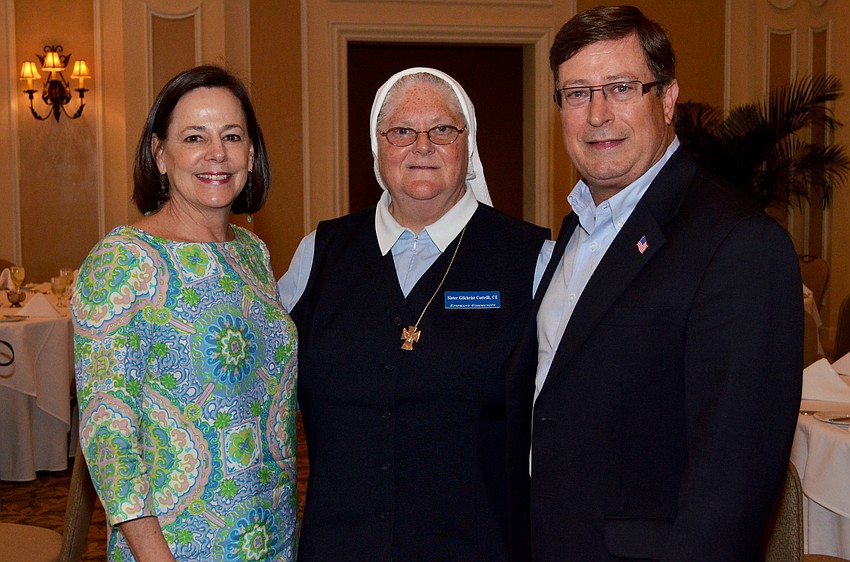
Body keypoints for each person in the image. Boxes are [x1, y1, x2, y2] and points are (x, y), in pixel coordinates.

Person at [506, 6, 803, 561]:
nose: (596, 115)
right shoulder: (577, 227)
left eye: (620, 88)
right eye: (576, 93)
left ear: (666, 99)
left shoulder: (737, 244)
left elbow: (732, 481)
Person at [279, 67, 551, 561]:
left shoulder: (531, 259)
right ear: (377, 147)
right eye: (402, 131)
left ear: (468, 146)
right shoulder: (318, 253)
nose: (422, 145)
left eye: (443, 129)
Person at [71, 65, 298, 561]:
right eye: (194, 137)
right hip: (177, 546)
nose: (216, 154)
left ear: (251, 154)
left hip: (271, 536)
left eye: (232, 137)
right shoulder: (125, 260)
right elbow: (107, 435)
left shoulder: (254, 254)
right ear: (160, 154)